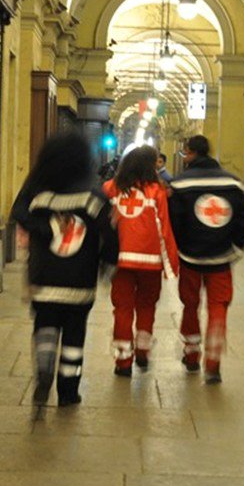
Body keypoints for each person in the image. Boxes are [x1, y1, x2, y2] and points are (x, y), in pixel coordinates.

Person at [10, 132, 118, 406]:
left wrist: (43, 229)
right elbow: (110, 235)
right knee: (74, 333)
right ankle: (69, 391)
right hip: (79, 280)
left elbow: (18, 212)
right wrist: (108, 263)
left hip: (43, 276)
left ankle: (44, 369)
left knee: (44, 323)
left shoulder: (37, 191)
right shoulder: (93, 196)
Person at [168, 135, 244, 384]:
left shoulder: (180, 184)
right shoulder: (233, 183)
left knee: (190, 305)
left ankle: (192, 354)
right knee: (218, 307)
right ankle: (213, 362)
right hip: (221, 259)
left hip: (190, 258)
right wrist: (235, 248)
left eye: (185, 153)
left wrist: (181, 249)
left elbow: (174, 223)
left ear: (191, 153)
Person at [102, 145, 179, 375]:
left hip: (121, 261)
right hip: (150, 262)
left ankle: (123, 361)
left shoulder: (111, 188)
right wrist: (171, 265)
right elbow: (164, 228)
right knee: (147, 305)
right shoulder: (156, 191)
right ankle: (143, 351)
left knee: (122, 308)